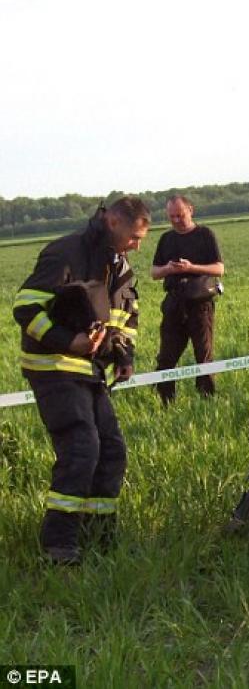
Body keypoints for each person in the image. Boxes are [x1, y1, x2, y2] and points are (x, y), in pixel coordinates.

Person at [12, 197, 150, 564]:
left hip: (90, 370)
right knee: (81, 449)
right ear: (114, 222)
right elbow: (25, 309)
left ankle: (100, 537)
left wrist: (123, 356)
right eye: (135, 236)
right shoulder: (66, 252)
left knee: (111, 452)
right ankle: (59, 545)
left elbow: (124, 318)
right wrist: (68, 340)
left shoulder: (118, 265)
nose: (138, 245)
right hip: (52, 365)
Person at [151, 195, 225, 404]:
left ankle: (207, 399)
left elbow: (219, 268)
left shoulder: (205, 235)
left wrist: (191, 268)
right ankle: (165, 401)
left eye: (180, 215)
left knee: (203, 354)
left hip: (200, 303)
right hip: (174, 303)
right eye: (171, 216)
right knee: (166, 356)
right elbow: (154, 272)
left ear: (190, 210)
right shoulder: (166, 239)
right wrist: (168, 269)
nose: (176, 220)